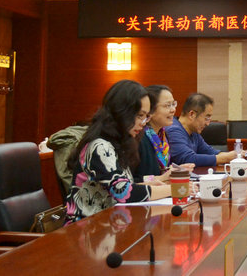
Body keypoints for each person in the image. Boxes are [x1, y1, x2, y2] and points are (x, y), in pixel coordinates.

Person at [64, 80, 170, 224]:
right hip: (85, 227)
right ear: (122, 112)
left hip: (108, 222)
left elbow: (126, 183)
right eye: (140, 116)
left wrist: (155, 181)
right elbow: (124, 192)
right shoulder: (100, 146)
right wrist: (175, 190)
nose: (143, 122)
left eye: (146, 116)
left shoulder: (119, 143)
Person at [133, 85, 194, 183]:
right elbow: (131, 180)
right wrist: (162, 177)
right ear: (150, 110)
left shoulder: (163, 135)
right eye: (167, 105)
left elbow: (161, 171)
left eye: (173, 104)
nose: (173, 109)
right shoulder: (138, 137)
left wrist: (176, 171)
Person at [167, 92, 240, 166]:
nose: (207, 124)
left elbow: (210, 152)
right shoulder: (173, 130)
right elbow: (187, 159)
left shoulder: (193, 132)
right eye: (206, 118)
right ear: (192, 114)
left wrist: (237, 155)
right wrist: (225, 158)